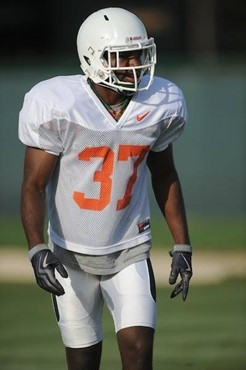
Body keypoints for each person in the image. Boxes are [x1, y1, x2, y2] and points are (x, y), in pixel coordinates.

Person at [19, 7, 192, 370]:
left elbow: (165, 175)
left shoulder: (160, 103)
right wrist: (37, 248)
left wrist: (182, 243)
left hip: (129, 248)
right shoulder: (57, 104)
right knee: (83, 364)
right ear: (92, 58)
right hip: (70, 256)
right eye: (122, 57)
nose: (135, 64)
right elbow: (34, 185)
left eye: (139, 54)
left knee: (139, 355)